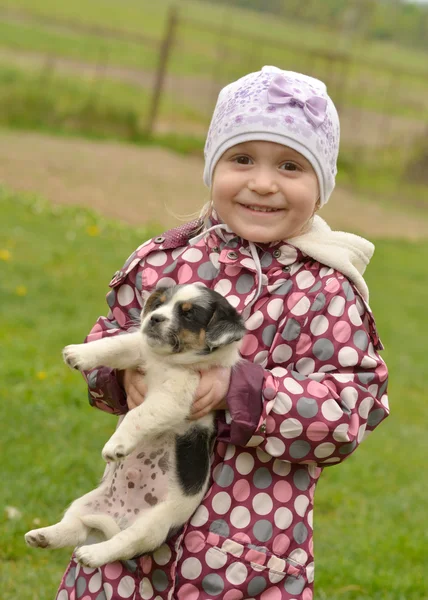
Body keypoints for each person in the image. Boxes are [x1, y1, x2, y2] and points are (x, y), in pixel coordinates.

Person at [55, 66, 389, 600]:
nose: (262, 181)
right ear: (212, 165)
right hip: (132, 515)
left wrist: (242, 393)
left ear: (322, 186)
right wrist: (121, 381)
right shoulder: (167, 260)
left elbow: (348, 408)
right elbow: (112, 335)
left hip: (243, 550)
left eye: (290, 165)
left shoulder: (328, 292)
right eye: (241, 159)